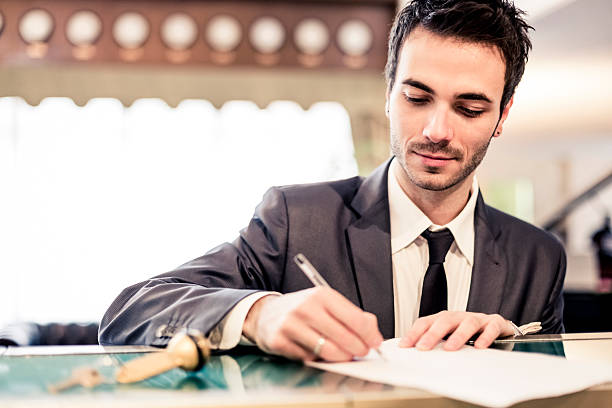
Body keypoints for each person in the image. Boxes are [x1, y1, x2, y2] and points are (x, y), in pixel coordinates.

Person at [99, 0, 566, 362]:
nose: (435, 131)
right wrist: (259, 314)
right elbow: (133, 310)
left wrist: (519, 352)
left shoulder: (539, 259)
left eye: (469, 109)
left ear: (502, 116)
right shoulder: (295, 220)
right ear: (387, 94)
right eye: (416, 97)